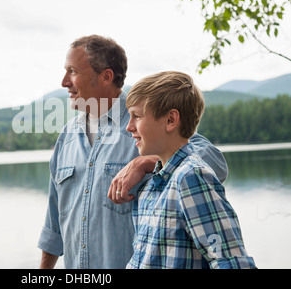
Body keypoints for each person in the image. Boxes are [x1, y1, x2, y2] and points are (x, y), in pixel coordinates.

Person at [37, 35, 229, 269]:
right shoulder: (66, 137)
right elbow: (54, 224)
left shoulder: (146, 123)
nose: (64, 81)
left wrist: (146, 162)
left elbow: (214, 162)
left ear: (106, 76)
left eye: (73, 71)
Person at [122, 71, 256, 269]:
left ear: (170, 120)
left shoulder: (192, 177)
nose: (128, 127)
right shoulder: (150, 186)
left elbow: (231, 262)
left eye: (137, 116)